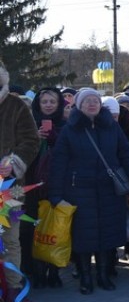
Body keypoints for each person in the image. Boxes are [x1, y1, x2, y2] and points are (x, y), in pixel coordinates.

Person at [49, 87, 129, 295]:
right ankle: (85, 276)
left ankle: (102, 274)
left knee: (106, 234)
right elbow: (58, 164)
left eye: (95, 100)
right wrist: (55, 195)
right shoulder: (70, 129)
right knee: (83, 236)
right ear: (79, 105)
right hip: (78, 190)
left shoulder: (111, 127)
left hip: (108, 190)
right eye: (87, 101)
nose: (92, 104)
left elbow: (126, 154)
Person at [0, 60, 40, 302]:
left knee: (11, 239)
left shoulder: (15, 105)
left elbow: (31, 140)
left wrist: (12, 162)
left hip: (10, 187)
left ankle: (12, 289)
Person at [25, 87, 66, 289]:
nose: (48, 105)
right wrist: (36, 138)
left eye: (53, 102)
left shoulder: (66, 125)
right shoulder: (29, 125)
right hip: (32, 186)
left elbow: (70, 153)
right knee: (34, 228)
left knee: (56, 228)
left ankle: (54, 271)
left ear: (59, 105)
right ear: (38, 105)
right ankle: (36, 271)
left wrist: (54, 138)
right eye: (45, 102)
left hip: (57, 184)